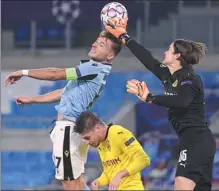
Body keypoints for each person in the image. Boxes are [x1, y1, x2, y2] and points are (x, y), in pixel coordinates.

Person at [104, 18, 216, 191]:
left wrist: (150, 97)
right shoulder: (167, 76)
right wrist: (124, 37)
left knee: (181, 184)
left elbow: (183, 102)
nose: (165, 52)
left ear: (177, 55)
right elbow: (147, 59)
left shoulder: (190, 78)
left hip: (197, 140)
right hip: (193, 141)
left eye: (169, 50)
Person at [4, 31, 122, 190]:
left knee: (70, 183)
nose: (94, 44)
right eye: (96, 41)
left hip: (68, 130)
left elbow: (55, 74)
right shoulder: (95, 72)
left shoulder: (93, 67)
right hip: (74, 130)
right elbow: (63, 92)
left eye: (102, 45)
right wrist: (33, 99)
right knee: (78, 182)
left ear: (110, 56)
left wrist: (23, 72)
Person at [74, 111, 151, 190]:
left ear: (97, 128)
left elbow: (143, 159)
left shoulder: (118, 133)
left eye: (87, 137)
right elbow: (109, 172)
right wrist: (99, 181)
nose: (87, 142)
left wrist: (120, 174)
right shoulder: (100, 143)